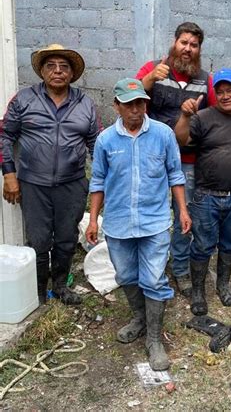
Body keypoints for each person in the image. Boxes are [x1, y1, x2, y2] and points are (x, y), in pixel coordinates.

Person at [86, 78, 191, 371]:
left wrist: (182, 210)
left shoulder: (163, 134)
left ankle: (154, 339)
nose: (136, 109)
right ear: (116, 105)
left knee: (155, 279)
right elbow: (98, 182)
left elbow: (175, 175)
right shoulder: (106, 140)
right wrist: (93, 219)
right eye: (129, 103)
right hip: (119, 222)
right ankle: (140, 318)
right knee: (126, 275)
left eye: (140, 103)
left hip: (155, 221)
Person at [1, 44, 101, 305]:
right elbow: (5, 135)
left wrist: (102, 182)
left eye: (64, 67)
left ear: (71, 73)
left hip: (72, 184)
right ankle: (36, 291)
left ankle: (60, 287)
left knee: (67, 238)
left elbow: (97, 145)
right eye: (51, 66)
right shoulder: (24, 99)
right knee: (39, 240)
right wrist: (9, 175)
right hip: (33, 184)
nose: (57, 71)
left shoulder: (85, 104)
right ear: (42, 71)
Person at [136, 22, 215, 298]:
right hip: (152, 158)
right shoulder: (153, 69)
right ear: (174, 42)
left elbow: (215, 117)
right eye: (184, 42)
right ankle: (152, 267)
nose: (188, 49)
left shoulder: (206, 80)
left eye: (194, 45)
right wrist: (150, 80)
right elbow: (128, 96)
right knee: (151, 212)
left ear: (199, 50)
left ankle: (180, 269)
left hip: (188, 161)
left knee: (185, 215)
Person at [175, 68, 231, 316]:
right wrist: (183, 115)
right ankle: (200, 291)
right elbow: (180, 140)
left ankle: (223, 283)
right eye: (220, 91)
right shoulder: (203, 117)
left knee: (230, 243)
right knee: (202, 245)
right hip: (206, 195)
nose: (225, 96)